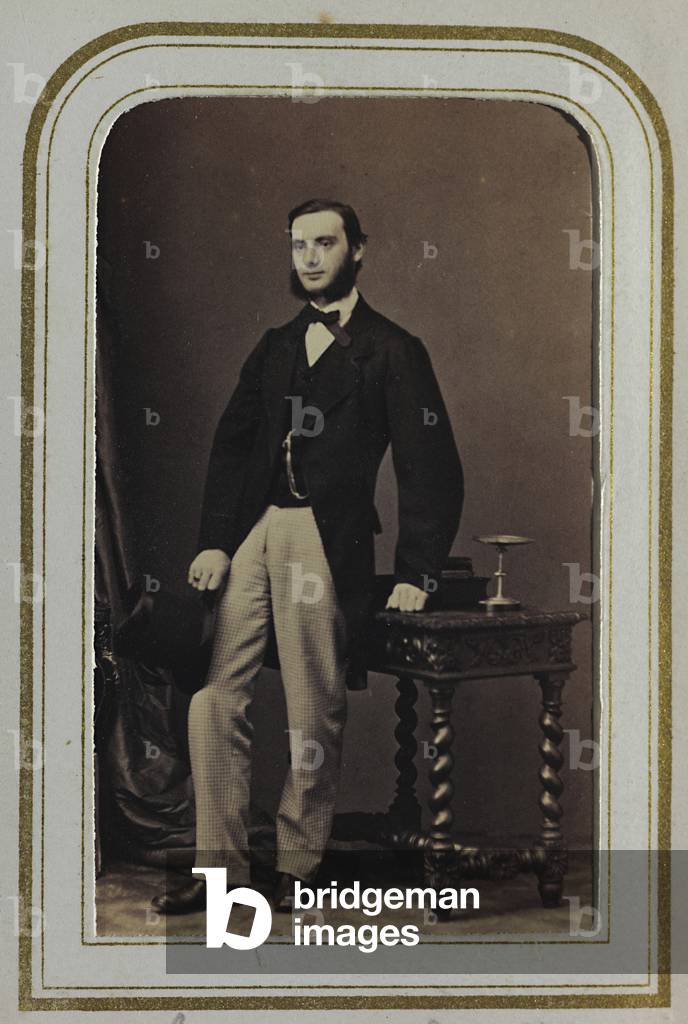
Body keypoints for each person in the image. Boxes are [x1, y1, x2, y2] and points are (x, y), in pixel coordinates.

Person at [152, 198, 463, 914]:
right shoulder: (275, 345)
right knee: (212, 696)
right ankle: (219, 871)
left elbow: (431, 467)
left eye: (325, 243)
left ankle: (299, 864)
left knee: (312, 703)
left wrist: (417, 572)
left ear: (359, 250)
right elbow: (232, 448)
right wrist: (215, 541)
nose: (311, 257)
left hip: (323, 539)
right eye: (300, 246)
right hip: (257, 530)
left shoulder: (393, 349)